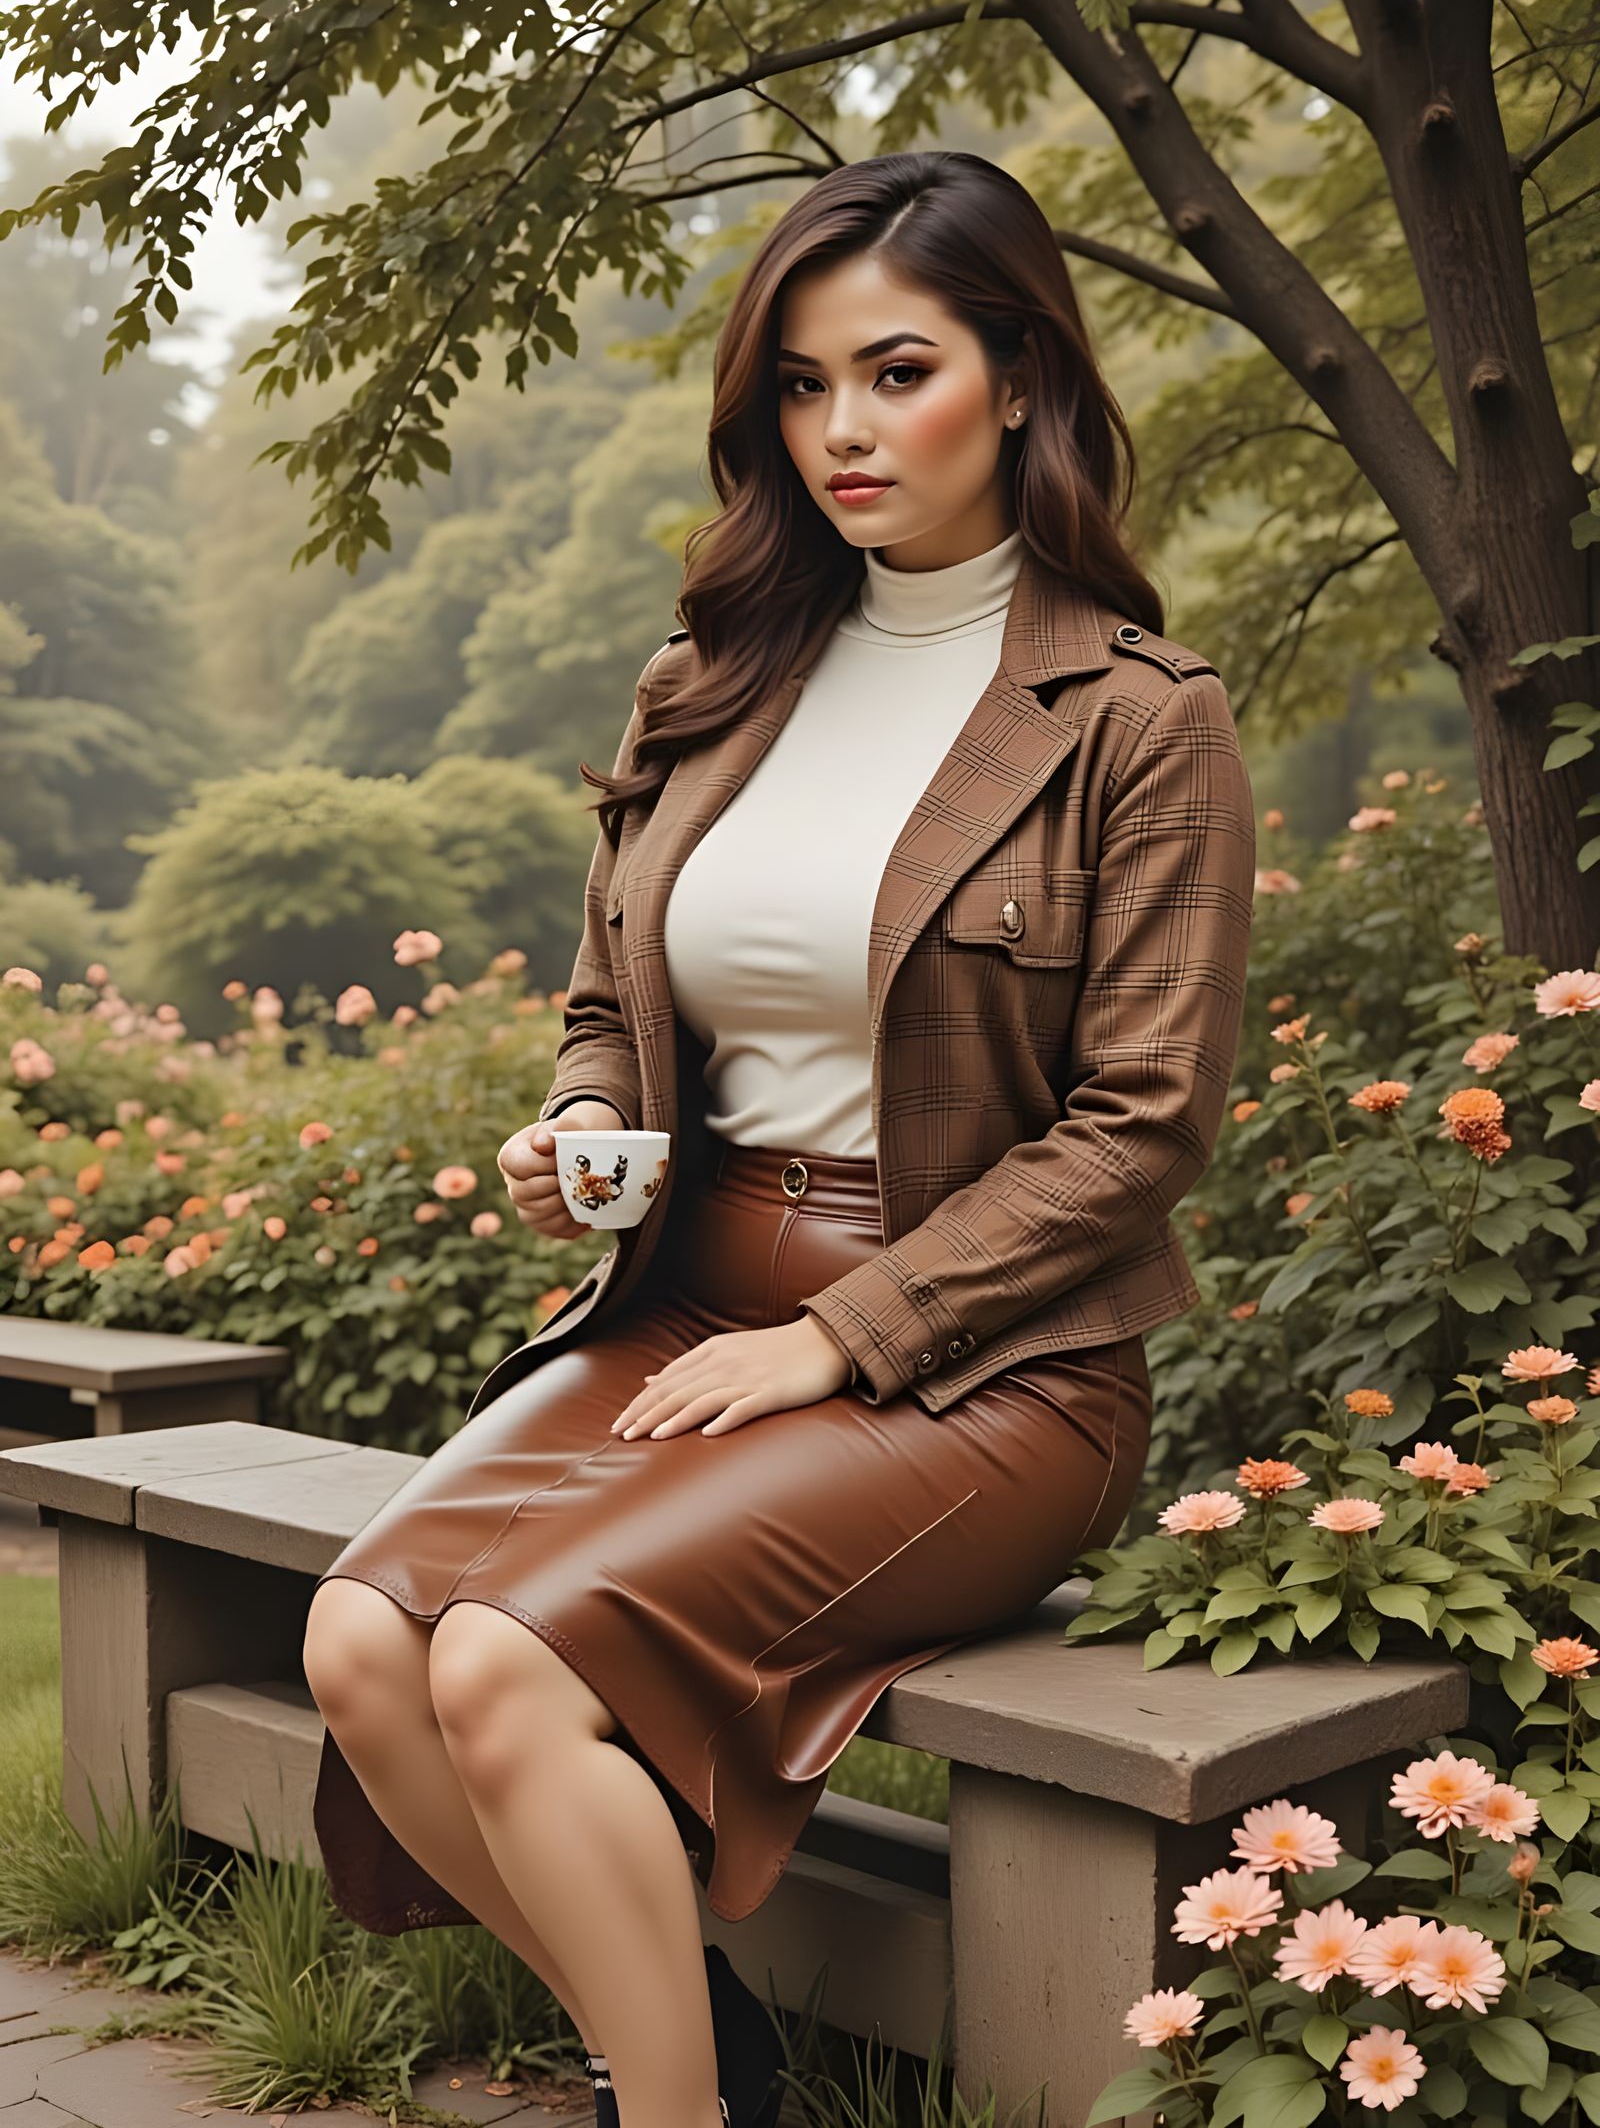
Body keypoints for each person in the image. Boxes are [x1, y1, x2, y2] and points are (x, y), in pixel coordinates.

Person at [302, 147, 1256, 2128]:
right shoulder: (713, 680)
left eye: (893, 371)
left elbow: (1142, 1124)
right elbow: (602, 1004)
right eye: (801, 387)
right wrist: (583, 1122)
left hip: (984, 1372)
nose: (841, 429)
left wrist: (837, 1337)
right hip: (680, 1304)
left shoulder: (1135, 720)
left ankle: (670, 2109)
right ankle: (696, 2054)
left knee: (492, 1665)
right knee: (360, 1645)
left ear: (1014, 374)